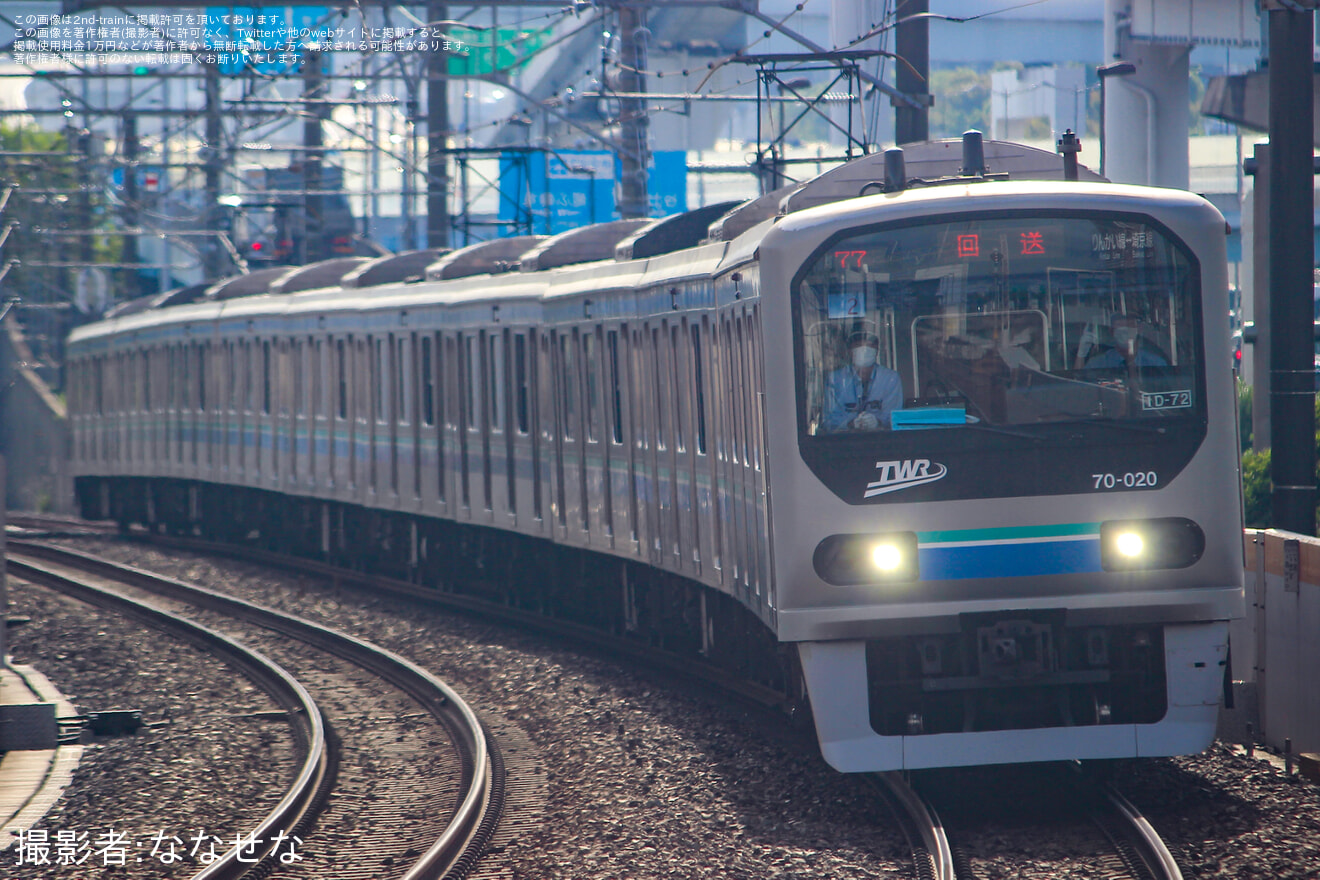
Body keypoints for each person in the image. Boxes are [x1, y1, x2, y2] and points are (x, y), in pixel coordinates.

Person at [823, 330, 904, 431]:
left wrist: (878, 422)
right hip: (844, 441)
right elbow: (828, 419)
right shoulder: (835, 379)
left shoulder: (890, 378)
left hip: (881, 440)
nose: (864, 350)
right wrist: (850, 424)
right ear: (850, 351)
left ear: (877, 351)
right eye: (858, 345)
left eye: (870, 346)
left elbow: (895, 416)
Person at [1083, 313, 1169, 370]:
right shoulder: (1096, 364)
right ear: (1111, 331)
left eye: (1129, 325)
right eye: (1120, 326)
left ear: (1139, 329)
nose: (1125, 330)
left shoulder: (1157, 363)